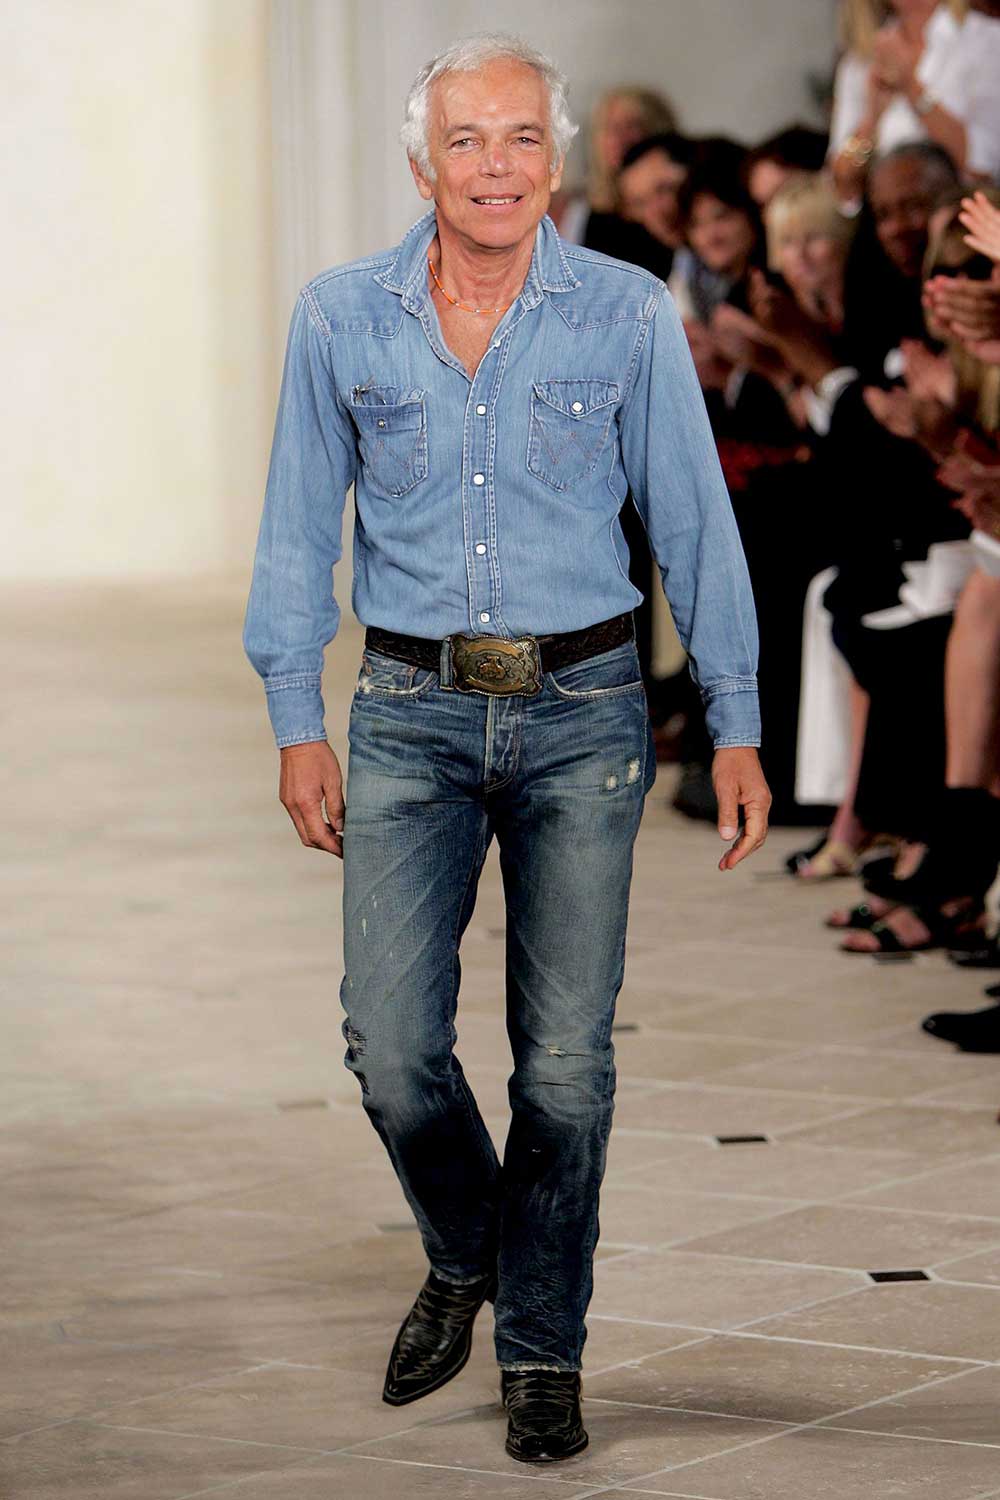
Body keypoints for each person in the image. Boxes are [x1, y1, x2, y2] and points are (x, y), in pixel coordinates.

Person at [243, 31, 770, 1466]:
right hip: (407, 710)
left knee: (567, 1066)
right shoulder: (340, 318)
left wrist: (735, 720)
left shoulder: (628, 314)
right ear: (423, 164)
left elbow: (694, 524)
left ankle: (542, 1346)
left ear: (558, 160)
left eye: (523, 138)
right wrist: (296, 720)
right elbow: (295, 531)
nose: (495, 166)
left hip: (584, 710)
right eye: (467, 141)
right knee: (392, 1047)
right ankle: (471, 1247)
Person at [830, 0, 1000, 209]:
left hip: (962, 213)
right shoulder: (860, 61)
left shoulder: (987, 40)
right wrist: (871, 119)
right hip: (884, 221)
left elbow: (984, 168)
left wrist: (912, 88)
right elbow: (844, 190)